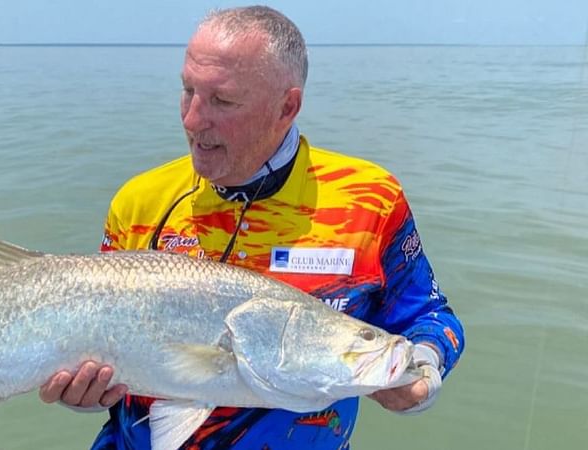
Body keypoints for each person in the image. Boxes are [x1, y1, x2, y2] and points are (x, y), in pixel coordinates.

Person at [40, 5, 465, 449]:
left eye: (222, 101)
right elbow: (97, 339)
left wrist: (424, 368)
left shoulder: (368, 202)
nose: (191, 119)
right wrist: (83, 392)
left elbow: (429, 315)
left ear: (287, 106)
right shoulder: (140, 201)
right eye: (187, 91)